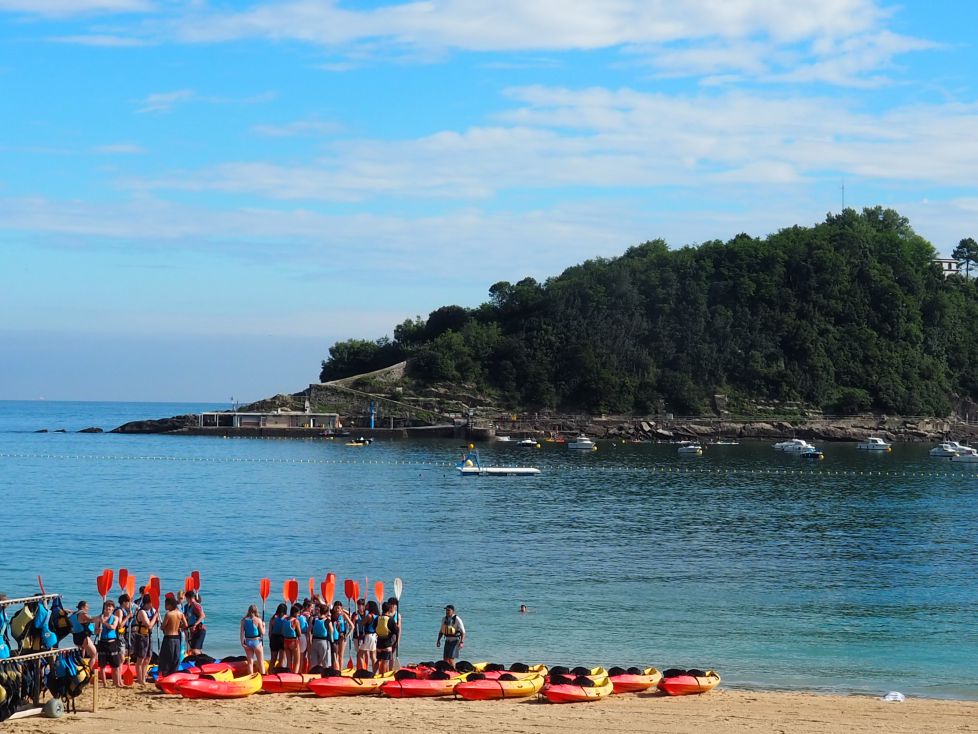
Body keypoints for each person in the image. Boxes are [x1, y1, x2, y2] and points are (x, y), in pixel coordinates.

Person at [94, 600, 123, 687]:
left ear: (113, 608)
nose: (108, 608)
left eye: (110, 607)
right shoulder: (99, 618)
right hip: (102, 642)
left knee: (115, 664)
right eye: (107, 606)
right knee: (102, 665)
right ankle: (104, 683)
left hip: (112, 642)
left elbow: (113, 627)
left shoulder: (115, 618)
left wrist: (104, 623)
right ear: (104, 608)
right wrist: (98, 630)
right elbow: (95, 631)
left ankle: (116, 682)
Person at [132, 594, 159, 685]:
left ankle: (144, 678)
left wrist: (157, 617)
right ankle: (140, 680)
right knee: (140, 659)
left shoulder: (153, 610)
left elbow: (155, 623)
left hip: (149, 636)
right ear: (148, 603)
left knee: (148, 658)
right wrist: (155, 616)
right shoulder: (142, 612)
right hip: (141, 637)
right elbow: (149, 625)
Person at [158, 596, 187, 677]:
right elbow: (186, 625)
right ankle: (173, 674)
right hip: (177, 638)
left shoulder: (168, 614)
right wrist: (178, 627)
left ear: (170, 605)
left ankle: (165, 674)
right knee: (175, 657)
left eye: (166, 604)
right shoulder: (180, 613)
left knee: (166, 657)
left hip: (169, 638)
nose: (165, 606)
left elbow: (163, 626)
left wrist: (162, 627)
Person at [69, 601, 99, 671]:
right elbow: (91, 619)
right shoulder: (82, 614)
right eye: (87, 607)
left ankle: (82, 668)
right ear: (82, 607)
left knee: (82, 653)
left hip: (76, 638)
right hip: (84, 637)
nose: (88, 609)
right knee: (94, 655)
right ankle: (88, 671)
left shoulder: (72, 615)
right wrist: (99, 617)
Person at [239, 604, 266, 675]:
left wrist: (242, 643)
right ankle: (263, 677)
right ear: (256, 611)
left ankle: (250, 677)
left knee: (250, 662)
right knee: (261, 662)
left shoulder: (243, 620)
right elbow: (263, 633)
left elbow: (242, 633)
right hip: (256, 642)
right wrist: (264, 625)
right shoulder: (258, 620)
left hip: (247, 642)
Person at [374, 601, 399, 675]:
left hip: (379, 643)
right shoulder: (390, 619)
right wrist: (397, 627)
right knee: (385, 661)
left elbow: (374, 627)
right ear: (389, 610)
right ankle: (382, 676)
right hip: (387, 644)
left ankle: (374, 674)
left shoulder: (377, 618)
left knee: (378, 660)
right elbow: (395, 631)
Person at [308, 604, 333, 672]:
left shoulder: (314, 619)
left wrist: (309, 641)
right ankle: (325, 676)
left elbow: (309, 630)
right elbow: (331, 631)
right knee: (325, 662)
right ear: (326, 612)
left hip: (314, 641)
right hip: (324, 642)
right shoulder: (327, 621)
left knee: (314, 662)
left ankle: (314, 675)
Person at [330, 601, 354, 670]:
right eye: (336, 608)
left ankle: (340, 670)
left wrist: (347, 635)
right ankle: (335, 669)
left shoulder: (343, 615)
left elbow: (352, 626)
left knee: (340, 655)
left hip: (342, 636)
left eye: (338, 608)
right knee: (335, 655)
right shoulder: (331, 615)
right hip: (334, 637)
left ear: (341, 608)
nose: (337, 610)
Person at [182, 590, 206, 656]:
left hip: (200, 629)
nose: (186, 600)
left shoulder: (196, 605)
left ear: (189, 598)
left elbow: (202, 616)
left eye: (186, 598)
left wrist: (195, 624)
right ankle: (199, 661)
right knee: (194, 649)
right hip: (194, 630)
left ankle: (201, 662)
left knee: (195, 650)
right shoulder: (189, 606)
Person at [114, 593, 135, 669]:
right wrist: (128, 616)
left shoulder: (124, 610)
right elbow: (119, 625)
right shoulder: (119, 611)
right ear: (124, 602)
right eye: (129, 602)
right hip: (119, 634)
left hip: (123, 634)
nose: (130, 604)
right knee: (121, 658)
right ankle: (118, 675)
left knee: (129, 651)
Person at [358, 600, 379, 671]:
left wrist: (363, 617)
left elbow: (362, 623)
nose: (365, 606)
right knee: (373, 656)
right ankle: (374, 672)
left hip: (368, 636)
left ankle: (363, 670)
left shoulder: (369, 616)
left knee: (360, 654)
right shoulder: (377, 616)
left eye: (367, 605)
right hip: (374, 636)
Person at [282, 605, 302, 674]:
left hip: (285, 641)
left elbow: (282, 631)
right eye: (298, 613)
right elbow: (299, 633)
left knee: (289, 661)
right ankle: (295, 676)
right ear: (295, 613)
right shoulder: (295, 621)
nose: (299, 615)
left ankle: (288, 675)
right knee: (297, 661)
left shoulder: (285, 619)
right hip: (293, 642)